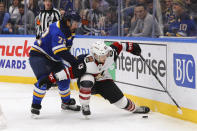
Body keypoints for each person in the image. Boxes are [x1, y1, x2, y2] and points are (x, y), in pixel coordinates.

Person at [39, 41, 150, 117]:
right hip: (88, 81)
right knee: (87, 80)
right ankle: (85, 105)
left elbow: (119, 45)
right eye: (102, 55)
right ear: (95, 55)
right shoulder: (86, 62)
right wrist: (50, 79)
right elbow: (68, 72)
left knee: (121, 102)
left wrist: (132, 47)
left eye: (105, 54)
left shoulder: (111, 53)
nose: (105, 57)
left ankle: (135, 109)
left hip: (104, 80)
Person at [29, 11, 84, 118]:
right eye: (75, 23)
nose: (77, 25)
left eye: (78, 23)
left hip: (53, 58)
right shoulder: (58, 30)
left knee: (64, 78)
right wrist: (75, 62)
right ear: (68, 22)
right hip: (39, 55)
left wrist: (73, 62)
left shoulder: (68, 30)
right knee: (44, 81)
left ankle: (66, 103)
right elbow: (59, 51)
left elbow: (63, 51)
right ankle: (35, 105)